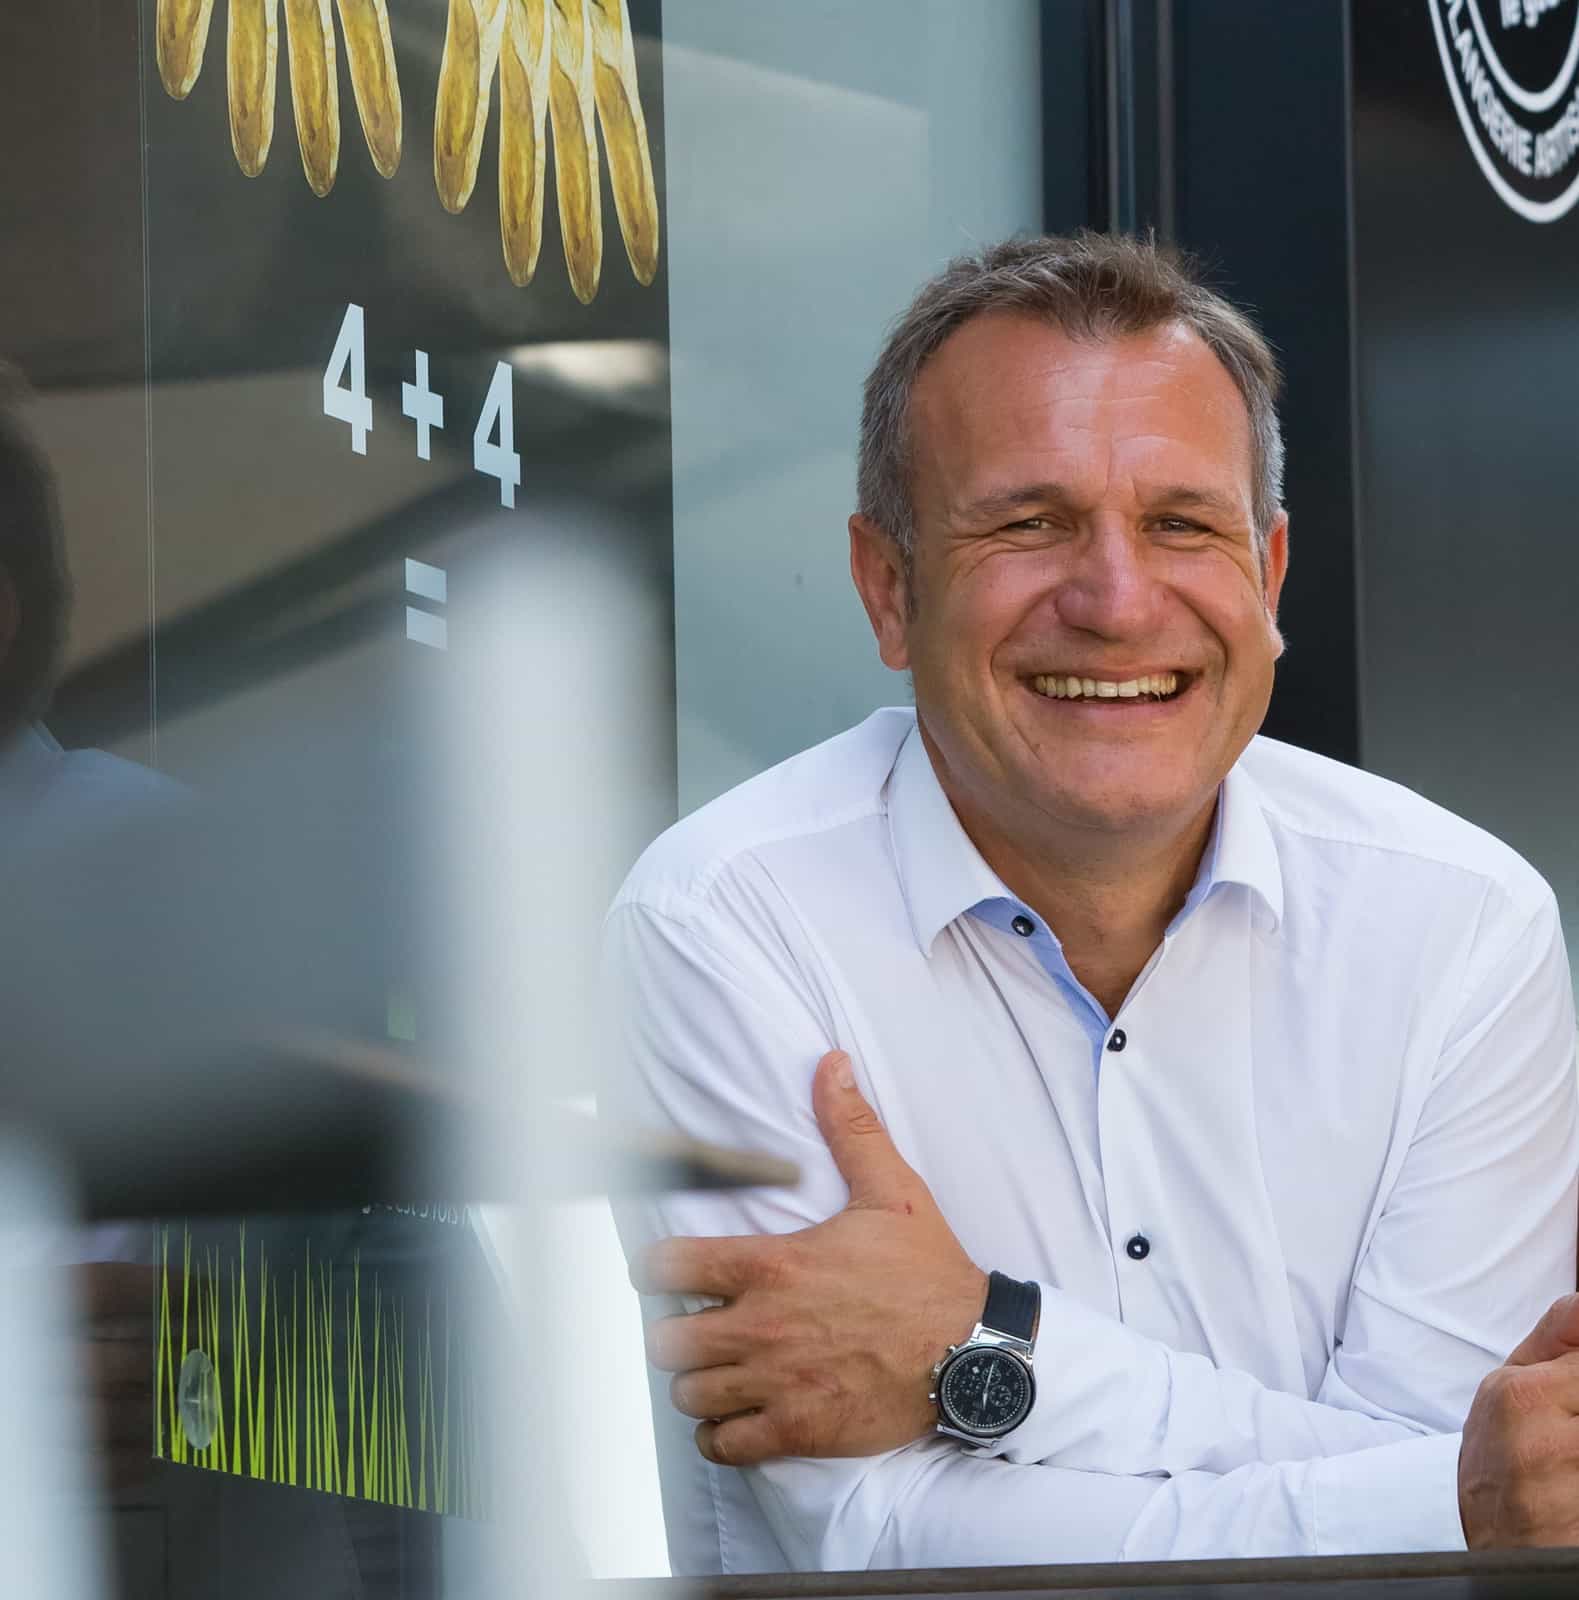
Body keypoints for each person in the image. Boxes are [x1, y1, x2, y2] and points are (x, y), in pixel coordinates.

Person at [602, 234, 1579, 1574]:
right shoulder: (726, 922)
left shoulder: (1464, 928)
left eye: (1182, 525)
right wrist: (1423, 1499)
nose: (1117, 602)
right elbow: (873, 1539)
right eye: (1029, 523)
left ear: (1268, 578)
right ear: (889, 588)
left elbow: (1461, 1510)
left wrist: (984, 1347)